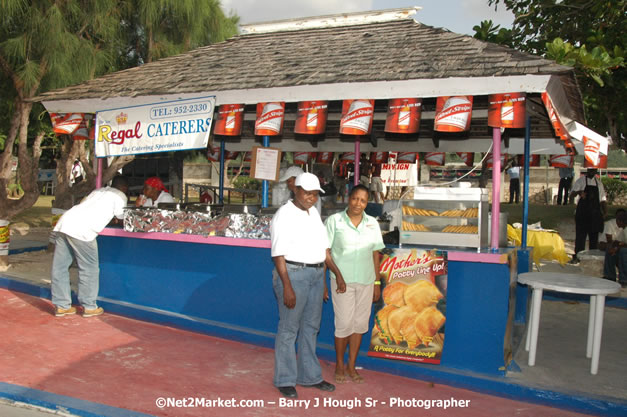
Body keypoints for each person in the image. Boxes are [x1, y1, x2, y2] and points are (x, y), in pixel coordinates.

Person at [270, 172, 345, 398]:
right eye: (308, 193)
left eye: (315, 194)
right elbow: (278, 254)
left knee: (311, 328)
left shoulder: (313, 213)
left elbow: (322, 251)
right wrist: (287, 286)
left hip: (314, 275)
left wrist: (331, 277)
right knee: (289, 328)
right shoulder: (284, 215)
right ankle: (284, 379)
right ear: (296, 190)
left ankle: (309, 376)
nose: (312, 198)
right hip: (293, 274)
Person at [325, 184, 385, 383]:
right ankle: (340, 365)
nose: (358, 203)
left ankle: (352, 366)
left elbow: (375, 254)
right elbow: (325, 253)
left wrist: (376, 282)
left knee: (359, 325)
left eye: (363, 200)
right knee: (343, 325)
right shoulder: (334, 221)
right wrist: (326, 282)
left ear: (367, 203)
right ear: (348, 198)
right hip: (342, 283)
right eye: (355, 198)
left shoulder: (372, 224)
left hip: (366, 281)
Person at [51, 175, 129, 317]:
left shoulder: (98, 191)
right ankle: (89, 306)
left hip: (65, 222)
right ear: (124, 188)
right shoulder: (120, 196)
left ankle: (62, 305)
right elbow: (123, 218)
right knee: (89, 268)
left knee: (60, 267)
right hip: (83, 230)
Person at [571, 168, 607, 262]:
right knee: (580, 237)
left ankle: (592, 258)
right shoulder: (580, 181)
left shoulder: (598, 183)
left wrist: (605, 212)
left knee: (594, 238)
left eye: (594, 170)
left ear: (595, 171)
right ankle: (578, 257)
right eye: (590, 170)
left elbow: (603, 199)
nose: (592, 172)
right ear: (587, 170)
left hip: (594, 214)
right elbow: (572, 194)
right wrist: (579, 192)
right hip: (582, 214)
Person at [600, 209, 627, 287]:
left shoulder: (625, 229)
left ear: (622, 222)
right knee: (610, 249)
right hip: (614, 244)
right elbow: (612, 241)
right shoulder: (610, 224)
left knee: (623, 252)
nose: (617, 223)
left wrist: (616, 248)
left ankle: (624, 279)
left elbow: (624, 244)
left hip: (622, 247)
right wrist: (615, 248)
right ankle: (610, 276)